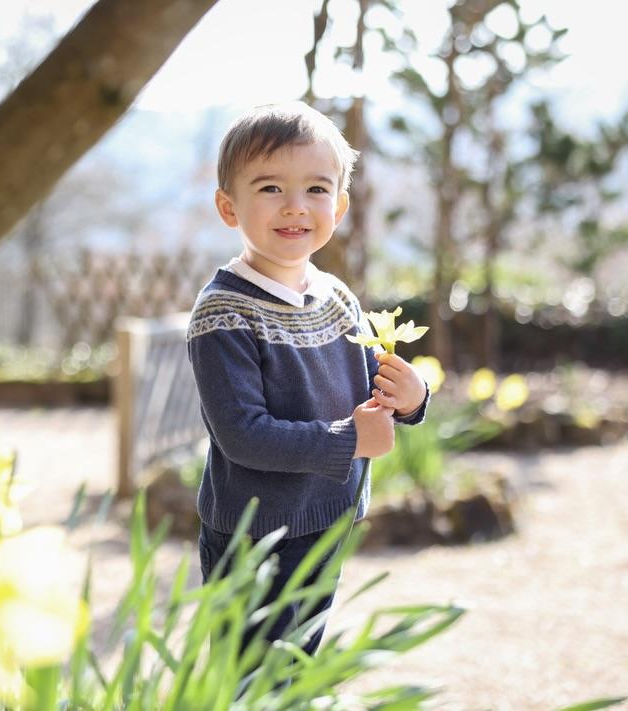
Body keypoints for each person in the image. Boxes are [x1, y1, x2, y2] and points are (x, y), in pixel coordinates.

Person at [188, 101, 430, 658]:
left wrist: (412, 397)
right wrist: (349, 441)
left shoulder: (334, 295)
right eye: (270, 188)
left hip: (327, 516)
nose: (296, 207)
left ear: (340, 206)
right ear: (229, 206)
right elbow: (243, 434)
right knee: (251, 672)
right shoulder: (224, 312)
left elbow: (372, 381)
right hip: (257, 533)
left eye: (317, 190)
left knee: (298, 660)